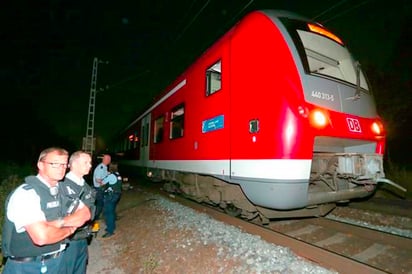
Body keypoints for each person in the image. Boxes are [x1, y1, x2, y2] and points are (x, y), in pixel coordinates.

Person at [1, 147, 91, 274]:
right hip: (27, 267)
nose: (61, 168)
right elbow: (42, 237)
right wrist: (71, 228)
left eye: (64, 164)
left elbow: (85, 213)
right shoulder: (27, 194)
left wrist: (59, 223)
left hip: (58, 262)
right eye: (54, 164)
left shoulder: (63, 190)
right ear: (40, 165)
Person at [59, 151, 96, 274]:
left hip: (83, 238)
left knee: (80, 270)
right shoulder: (62, 185)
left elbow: (91, 212)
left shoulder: (85, 186)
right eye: (85, 162)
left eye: (90, 163)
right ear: (74, 164)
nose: (90, 165)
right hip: (68, 240)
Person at [101, 167, 122, 238]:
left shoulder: (111, 176)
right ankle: (112, 226)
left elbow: (102, 183)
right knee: (112, 211)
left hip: (111, 196)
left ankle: (110, 230)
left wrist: (100, 180)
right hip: (117, 195)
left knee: (108, 213)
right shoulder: (117, 174)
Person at [92, 154, 111, 221]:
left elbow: (104, 175)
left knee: (102, 203)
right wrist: (103, 183)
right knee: (99, 204)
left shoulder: (104, 167)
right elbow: (98, 179)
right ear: (105, 160)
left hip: (101, 188)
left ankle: (100, 215)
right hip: (99, 188)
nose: (109, 161)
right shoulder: (101, 167)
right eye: (108, 159)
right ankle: (95, 218)